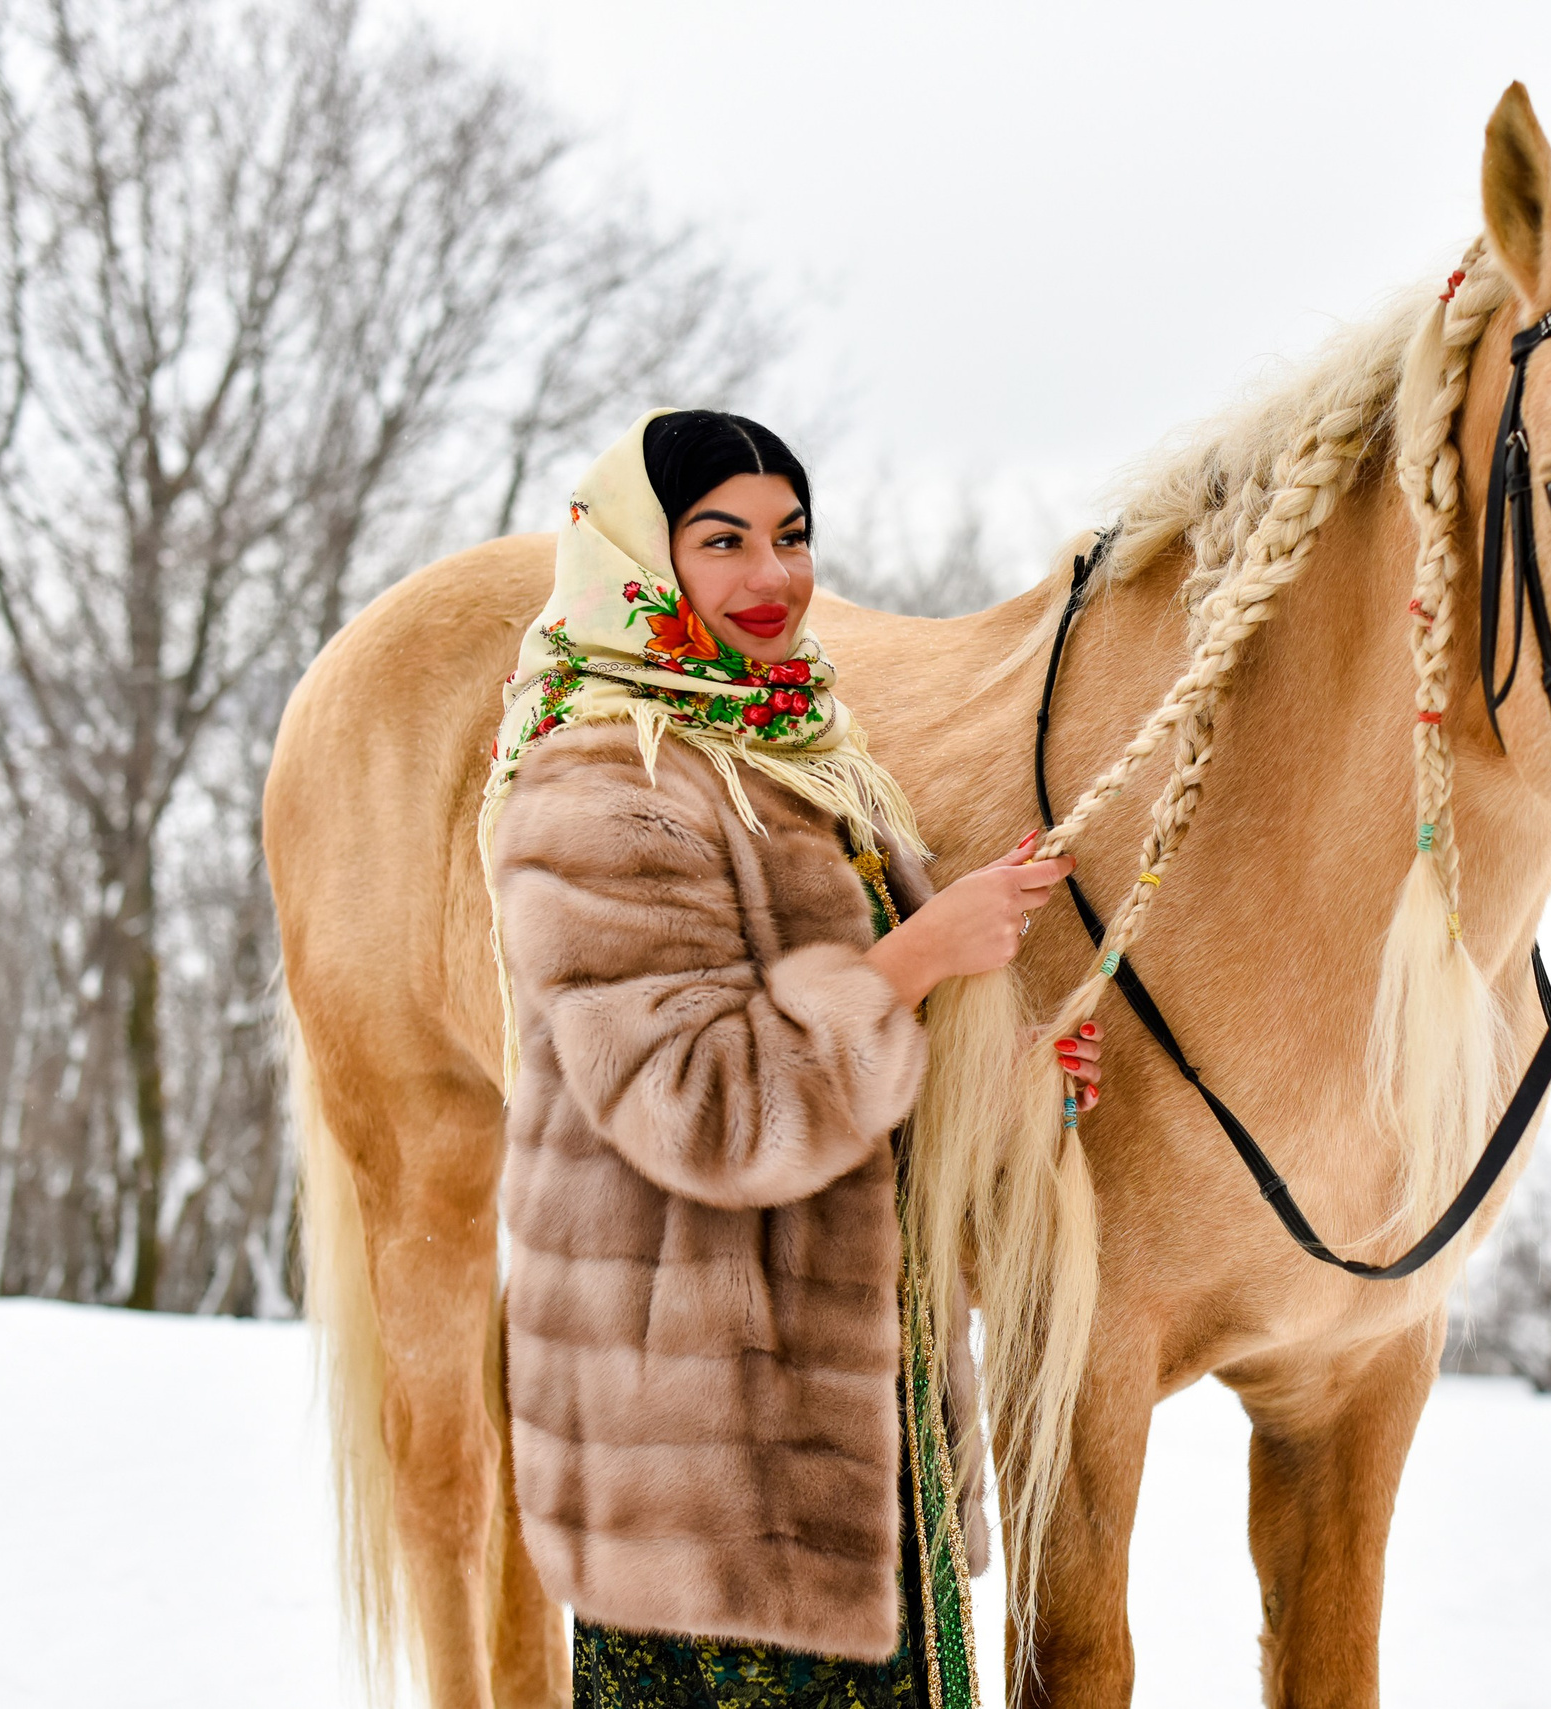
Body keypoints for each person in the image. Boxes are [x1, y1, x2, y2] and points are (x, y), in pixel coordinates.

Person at [477, 409, 1099, 1707]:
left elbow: (883, 1069)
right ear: (643, 556)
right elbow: (695, 1100)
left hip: (862, 1411)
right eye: (724, 539)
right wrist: (920, 953)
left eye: (792, 534)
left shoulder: (813, 756)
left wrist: (1021, 1069)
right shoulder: (596, 785)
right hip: (704, 1455)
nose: (773, 575)